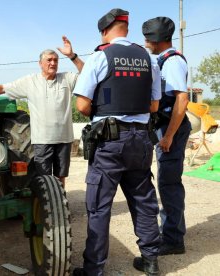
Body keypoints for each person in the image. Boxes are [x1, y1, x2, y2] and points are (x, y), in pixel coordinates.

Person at [72, 8, 162, 276]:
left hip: (110, 141)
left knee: (99, 206)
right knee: (143, 200)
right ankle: (150, 260)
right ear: (126, 28)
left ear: (104, 30)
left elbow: (82, 105)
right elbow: (155, 103)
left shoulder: (100, 56)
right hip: (142, 139)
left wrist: (105, 108)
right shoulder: (149, 58)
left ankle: (94, 270)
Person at [0, 36, 84, 187]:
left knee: (60, 177)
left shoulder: (66, 79)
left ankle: (60, 204)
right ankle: (43, 206)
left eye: (56, 60)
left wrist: (72, 56)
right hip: (42, 140)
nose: (53, 63)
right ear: (40, 63)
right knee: (42, 178)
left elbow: (88, 74)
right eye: (49, 60)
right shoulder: (30, 81)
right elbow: (4, 88)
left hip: (64, 139)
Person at [142, 17, 191, 256]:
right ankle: (171, 232)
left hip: (173, 128)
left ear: (157, 39)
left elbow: (182, 99)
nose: (145, 41)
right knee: (166, 181)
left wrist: (169, 136)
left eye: (148, 37)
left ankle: (173, 240)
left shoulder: (172, 62)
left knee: (169, 183)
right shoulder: (161, 60)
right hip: (165, 126)